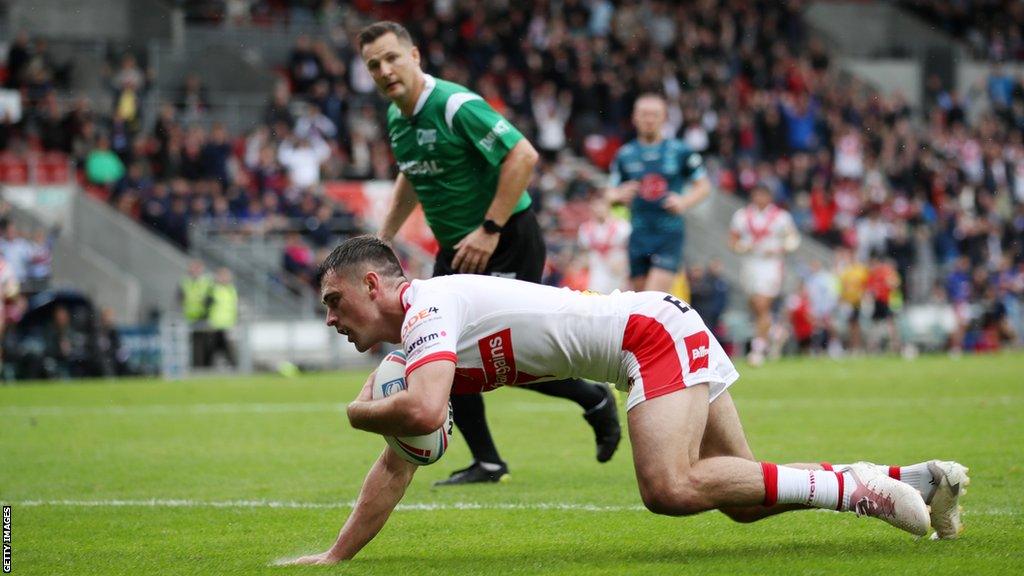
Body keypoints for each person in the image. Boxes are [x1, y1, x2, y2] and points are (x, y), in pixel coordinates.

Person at [284, 236, 969, 565]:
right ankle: (912, 481)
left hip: (646, 334)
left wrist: (357, 410)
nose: (330, 318)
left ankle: (858, 490)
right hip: (655, 329)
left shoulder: (428, 304)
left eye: (334, 301)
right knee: (745, 500)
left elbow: (427, 416)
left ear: (374, 285)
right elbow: (397, 466)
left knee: (668, 487)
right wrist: (338, 556)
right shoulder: (414, 347)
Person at [358, 21, 620, 485]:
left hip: (505, 239)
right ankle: (488, 462)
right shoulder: (399, 118)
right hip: (458, 251)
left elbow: (523, 156)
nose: (384, 70)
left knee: (512, 355)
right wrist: (384, 238)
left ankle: (593, 398)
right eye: (373, 64)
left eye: (391, 57)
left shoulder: (455, 105)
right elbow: (411, 175)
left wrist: (489, 229)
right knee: (441, 353)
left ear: (414, 55)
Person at [605, 93, 712, 293]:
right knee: (639, 301)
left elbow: (704, 186)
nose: (649, 119)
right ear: (634, 117)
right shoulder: (625, 154)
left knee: (653, 297)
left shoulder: (680, 151)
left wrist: (684, 201)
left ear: (664, 118)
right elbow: (609, 193)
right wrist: (618, 195)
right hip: (638, 233)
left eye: (654, 114)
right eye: (644, 114)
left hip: (668, 234)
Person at [728, 184, 800, 366]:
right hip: (750, 263)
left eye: (763, 195)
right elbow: (733, 240)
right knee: (755, 306)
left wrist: (781, 248)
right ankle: (775, 332)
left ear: (770, 197)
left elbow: (792, 238)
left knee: (762, 303)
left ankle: (757, 350)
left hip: (771, 264)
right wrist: (742, 247)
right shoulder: (742, 216)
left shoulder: (781, 217)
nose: (760, 199)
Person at [577, 194, 631, 294]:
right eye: (596, 205)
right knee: (597, 296)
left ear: (608, 206)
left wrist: (625, 264)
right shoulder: (585, 228)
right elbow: (584, 251)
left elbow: (630, 247)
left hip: (618, 266)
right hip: (597, 269)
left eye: (601, 205)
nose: (599, 209)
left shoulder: (621, 226)